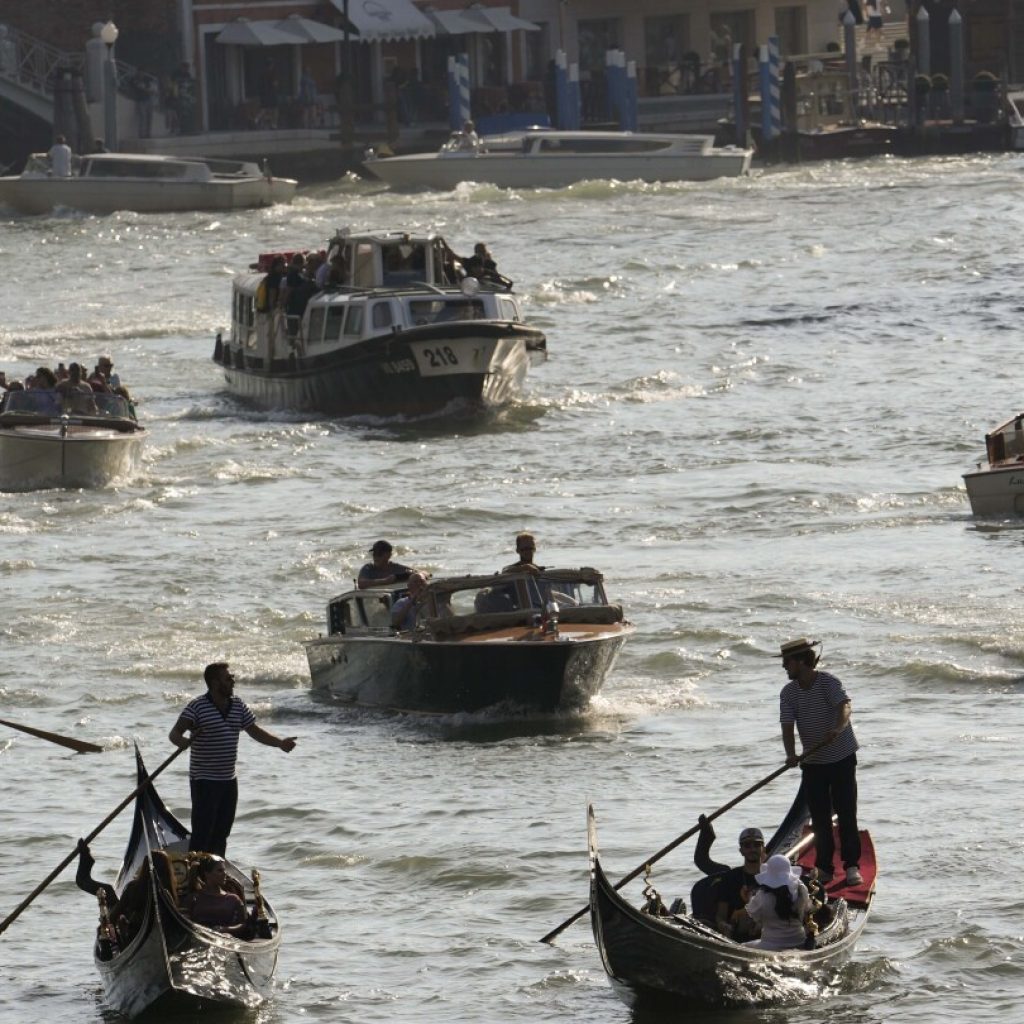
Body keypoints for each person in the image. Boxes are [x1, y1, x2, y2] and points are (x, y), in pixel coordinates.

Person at [169, 662, 297, 857]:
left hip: (229, 780)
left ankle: (216, 871)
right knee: (203, 833)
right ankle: (196, 872)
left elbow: (254, 731)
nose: (233, 682)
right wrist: (182, 742)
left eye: (232, 678)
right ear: (214, 683)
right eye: (228, 678)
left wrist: (280, 743)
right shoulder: (197, 707)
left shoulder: (237, 705)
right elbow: (174, 733)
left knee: (222, 833)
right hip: (204, 780)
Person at [776, 638, 862, 887]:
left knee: (846, 813)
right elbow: (787, 725)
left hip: (842, 757)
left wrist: (837, 728)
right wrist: (791, 754)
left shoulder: (828, 683)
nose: (784, 667)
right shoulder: (788, 693)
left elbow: (845, 707)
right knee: (819, 817)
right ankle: (825, 868)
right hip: (813, 761)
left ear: (801, 661)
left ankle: (852, 865)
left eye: (786, 662)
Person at [743, 854, 812, 950]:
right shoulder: (801, 888)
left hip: (771, 944)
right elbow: (807, 908)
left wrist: (748, 897)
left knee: (742, 947)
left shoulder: (762, 896)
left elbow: (754, 915)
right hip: (799, 940)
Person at [711, 826, 767, 939]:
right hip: (737, 936)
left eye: (757, 845)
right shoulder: (730, 878)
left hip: (768, 934)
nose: (752, 849)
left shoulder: (773, 876)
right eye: (747, 845)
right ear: (741, 851)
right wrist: (723, 925)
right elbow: (721, 915)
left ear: (763, 849)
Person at [181, 854, 256, 936]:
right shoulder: (194, 898)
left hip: (227, 940)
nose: (225, 874)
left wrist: (226, 930)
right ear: (207, 874)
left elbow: (243, 924)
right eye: (220, 871)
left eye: (224, 870)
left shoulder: (233, 899)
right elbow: (185, 922)